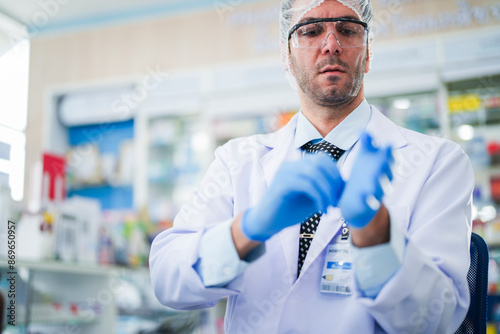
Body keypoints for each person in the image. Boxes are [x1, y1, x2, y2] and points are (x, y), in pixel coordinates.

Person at [150, 0, 474, 332]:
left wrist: (375, 230)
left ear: (368, 51)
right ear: (286, 56)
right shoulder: (237, 162)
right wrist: (248, 229)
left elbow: (436, 321)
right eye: (311, 30)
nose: (331, 44)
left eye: (347, 30)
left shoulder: (438, 163)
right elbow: (167, 280)